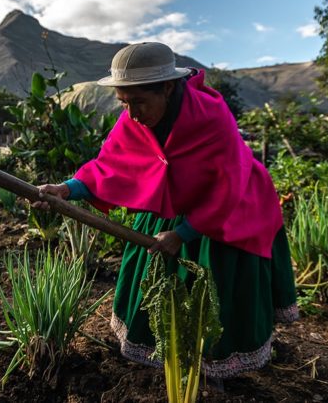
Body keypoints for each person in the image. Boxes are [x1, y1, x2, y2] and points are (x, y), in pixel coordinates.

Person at [33, 42, 298, 380]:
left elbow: (228, 186)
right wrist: (67, 189)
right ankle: (159, 352)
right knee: (154, 279)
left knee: (215, 286)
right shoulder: (135, 118)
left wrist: (184, 233)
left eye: (139, 102)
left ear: (169, 88)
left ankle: (217, 363)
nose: (131, 114)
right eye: (124, 103)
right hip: (170, 200)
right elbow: (111, 165)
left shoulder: (212, 118)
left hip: (231, 205)